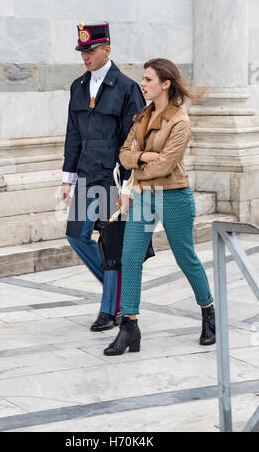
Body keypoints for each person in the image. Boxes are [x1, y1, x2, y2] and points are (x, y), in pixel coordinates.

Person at [104, 58, 216, 356]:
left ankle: (208, 312)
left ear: (165, 84)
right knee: (129, 258)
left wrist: (139, 161)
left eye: (149, 79)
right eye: (143, 78)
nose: (143, 84)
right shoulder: (141, 117)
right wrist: (142, 158)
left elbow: (166, 164)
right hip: (143, 195)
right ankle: (129, 326)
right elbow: (124, 154)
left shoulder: (180, 120)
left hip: (174, 195)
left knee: (186, 258)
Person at [61, 22, 145, 332]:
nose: (85, 56)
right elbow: (73, 133)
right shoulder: (77, 87)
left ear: (107, 49)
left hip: (112, 178)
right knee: (75, 234)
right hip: (85, 174)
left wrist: (128, 183)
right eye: (82, 50)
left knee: (110, 244)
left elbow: (134, 138)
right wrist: (67, 176)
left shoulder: (127, 88)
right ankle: (122, 294)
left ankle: (109, 309)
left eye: (91, 50)